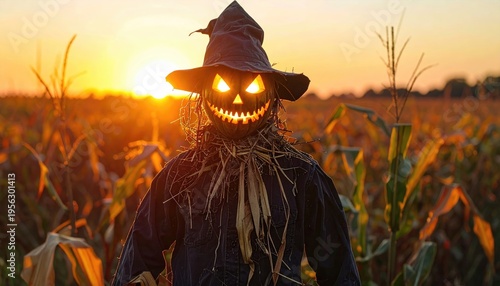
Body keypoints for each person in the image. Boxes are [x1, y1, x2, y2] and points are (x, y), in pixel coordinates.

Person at [113, 1, 360, 285]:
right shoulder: (178, 178)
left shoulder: (301, 177)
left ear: (271, 96)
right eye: (222, 86)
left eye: (253, 85)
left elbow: (339, 271)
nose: (239, 99)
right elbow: (136, 263)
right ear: (204, 95)